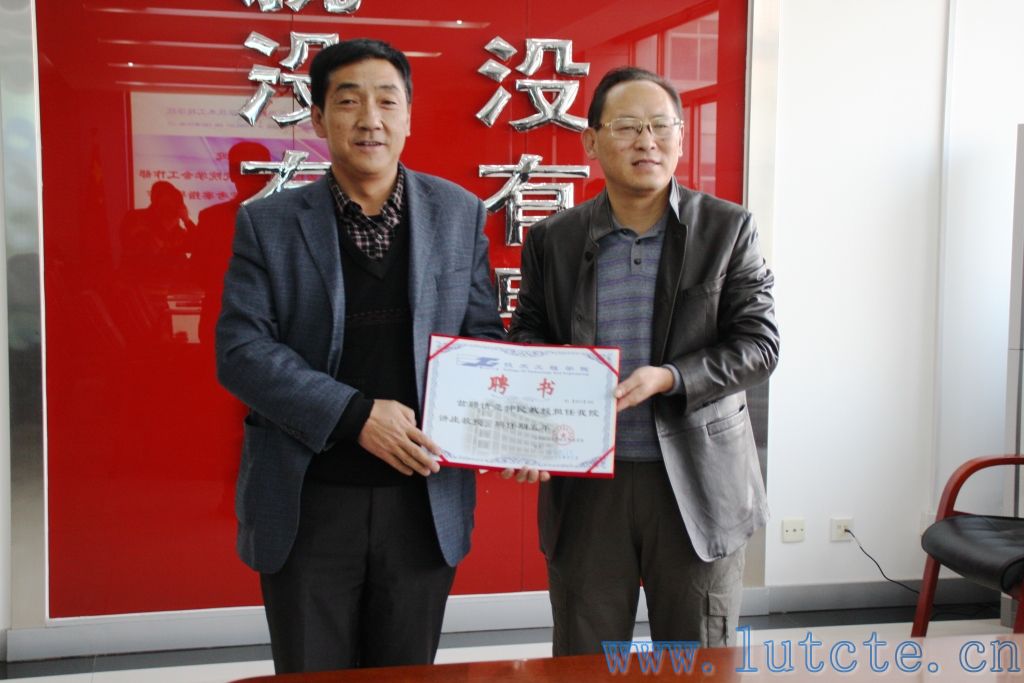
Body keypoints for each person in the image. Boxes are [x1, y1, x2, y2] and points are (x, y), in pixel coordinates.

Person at [216, 38, 504, 673]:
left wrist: (519, 426)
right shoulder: (269, 224)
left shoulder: (459, 213)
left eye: (387, 101)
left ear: (409, 116)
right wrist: (356, 415)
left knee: (406, 670)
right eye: (348, 102)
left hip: (423, 501)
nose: (370, 119)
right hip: (309, 500)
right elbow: (241, 351)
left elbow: (482, 339)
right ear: (319, 119)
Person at [507, 66, 779, 653]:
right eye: (628, 127)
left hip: (698, 480)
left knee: (697, 655)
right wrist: (534, 424)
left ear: (681, 137)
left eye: (661, 126)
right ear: (591, 140)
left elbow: (759, 345)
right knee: (585, 655)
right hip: (587, 482)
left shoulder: (727, 228)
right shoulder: (553, 239)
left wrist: (672, 377)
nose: (646, 142)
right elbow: (528, 334)